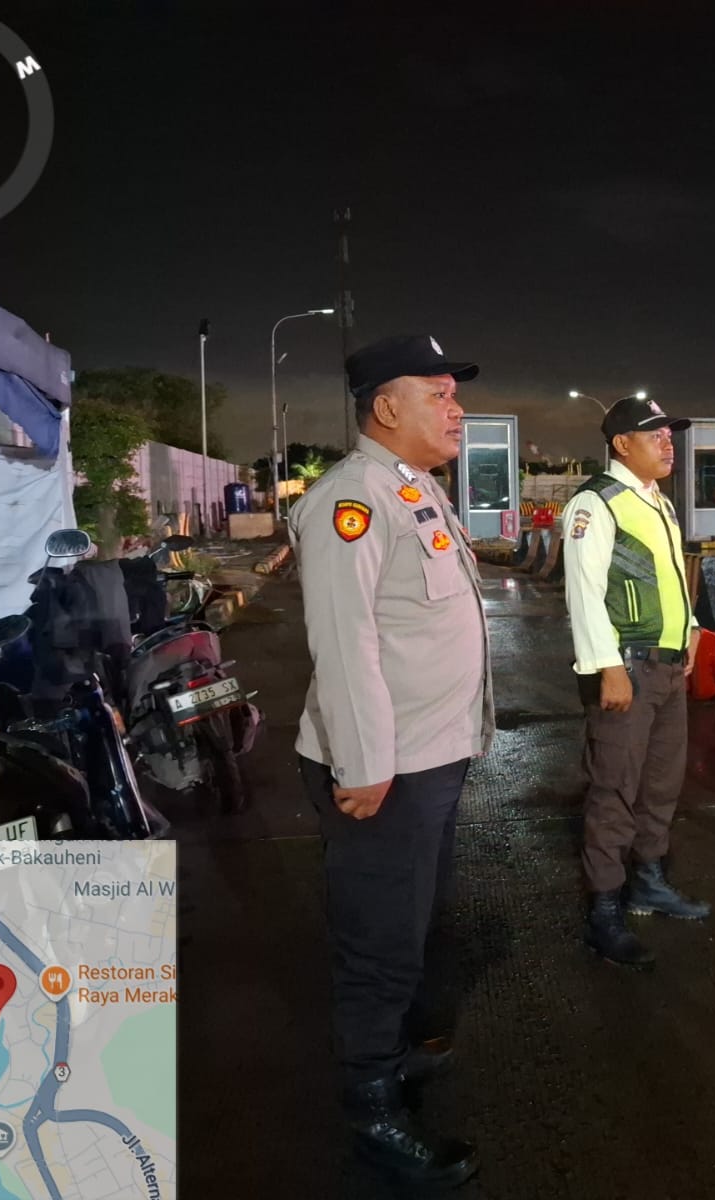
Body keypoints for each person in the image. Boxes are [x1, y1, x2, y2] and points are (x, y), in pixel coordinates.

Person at [289, 333, 492, 1189]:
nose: (456, 409)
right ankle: (371, 1107)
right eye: (437, 394)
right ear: (385, 407)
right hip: (387, 769)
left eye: (454, 394)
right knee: (379, 944)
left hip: (430, 757)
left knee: (414, 927)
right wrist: (363, 764)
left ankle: (395, 1057)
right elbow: (345, 643)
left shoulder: (414, 488)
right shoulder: (353, 499)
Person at [562, 394, 709, 969]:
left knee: (661, 785)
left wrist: (690, 628)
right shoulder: (596, 503)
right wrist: (609, 668)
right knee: (614, 790)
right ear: (622, 444)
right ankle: (603, 910)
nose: (668, 443)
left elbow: (668, 577)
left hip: (667, 667)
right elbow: (583, 592)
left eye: (670, 434)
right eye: (656, 435)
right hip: (627, 669)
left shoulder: (658, 502)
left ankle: (649, 883)